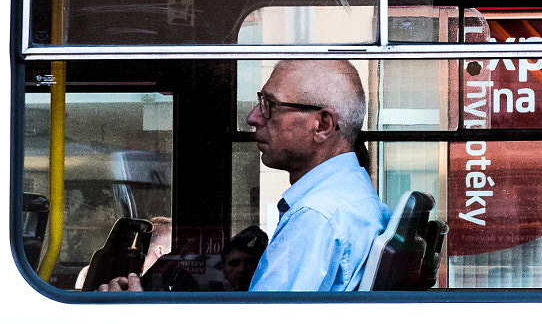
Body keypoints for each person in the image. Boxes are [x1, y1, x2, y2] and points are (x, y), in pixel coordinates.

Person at [101, 59, 384, 293]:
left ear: (322, 124)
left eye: (269, 106)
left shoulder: (317, 216)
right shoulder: (353, 196)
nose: (253, 117)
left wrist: (138, 314)